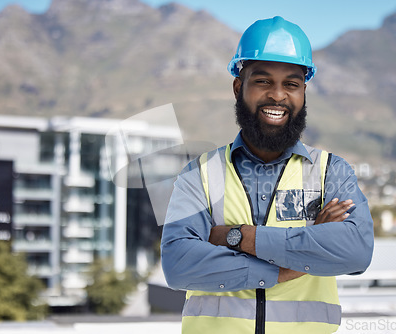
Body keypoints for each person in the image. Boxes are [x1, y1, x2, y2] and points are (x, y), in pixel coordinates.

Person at [161, 16, 374, 334]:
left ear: (303, 92)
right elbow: (178, 266)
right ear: (238, 87)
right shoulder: (199, 174)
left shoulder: (332, 172)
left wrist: (239, 237)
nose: (277, 95)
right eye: (262, 81)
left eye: (291, 83)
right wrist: (294, 260)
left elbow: (355, 251)